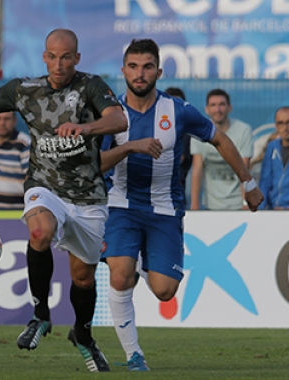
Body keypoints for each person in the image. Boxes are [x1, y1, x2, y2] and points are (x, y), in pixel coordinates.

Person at [0, 28, 127, 372]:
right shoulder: (24, 89)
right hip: (43, 185)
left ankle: (83, 335)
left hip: (88, 194)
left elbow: (118, 118)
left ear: (77, 58)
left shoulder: (92, 86)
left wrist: (86, 129)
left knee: (82, 279)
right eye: (52, 56)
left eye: (66, 57)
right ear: (44, 56)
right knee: (39, 233)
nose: (58, 64)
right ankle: (40, 315)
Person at [99, 39, 263, 372]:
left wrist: (249, 183)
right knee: (119, 276)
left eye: (147, 67)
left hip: (164, 210)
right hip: (120, 205)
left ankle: (141, 259)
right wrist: (131, 147)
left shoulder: (178, 110)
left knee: (164, 291)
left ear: (159, 71)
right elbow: (97, 163)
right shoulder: (110, 113)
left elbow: (219, 139)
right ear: (123, 71)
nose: (140, 74)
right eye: (133, 66)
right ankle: (134, 355)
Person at [190, 88, 253, 210]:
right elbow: (197, 170)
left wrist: (245, 203)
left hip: (237, 205)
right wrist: (194, 205)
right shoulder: (199, 131)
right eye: (213, 105)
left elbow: (244, 169)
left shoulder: (243, 130)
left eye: (222, 104)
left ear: (230, 108)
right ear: (206, 109)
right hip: (211, 206)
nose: (218, 109)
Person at [164, 87, 191, 194]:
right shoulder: (153, 128)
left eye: (178, 104)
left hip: (177, 188)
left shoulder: (188, 133)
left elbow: (181, 158)